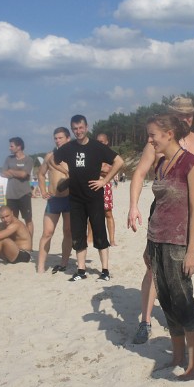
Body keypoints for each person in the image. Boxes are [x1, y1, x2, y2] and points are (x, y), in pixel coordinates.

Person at [127, 96, 194, 345]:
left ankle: (180, 318)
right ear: (171, 115)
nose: (187, 119)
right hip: (163, 211)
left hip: (187, 215)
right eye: (181, 114)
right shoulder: (158, 141)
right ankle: (145, 321)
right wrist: (133, 206)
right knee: (153, 268)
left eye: (190, 114)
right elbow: (139, 173)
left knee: (182, 269)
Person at [144, 114, 194, 379]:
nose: (150, 140)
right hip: (156, 240)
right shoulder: (160, 164)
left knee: (184, 303)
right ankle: (178, 358)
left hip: (178, 243)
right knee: (167, 302)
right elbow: (157, 206)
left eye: (152, 135)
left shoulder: (191, 164)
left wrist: (192, 251)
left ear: (169, 134)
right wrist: (148, 245)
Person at [53, 115, 123, 282]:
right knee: (78, 234)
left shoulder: (97, 147)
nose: (78, 131)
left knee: (99, 233)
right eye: (75, 129)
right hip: (75, 198)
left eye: (81, 128)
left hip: (94, 197)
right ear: (72, 130)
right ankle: (81, 270)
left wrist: (104, 181)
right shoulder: (68, 148)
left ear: (86, 127)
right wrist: (66, 172)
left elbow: (119, 161)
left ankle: (105, 270)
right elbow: (53, 159)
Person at [37, 127, 72, 274]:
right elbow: (40, 174)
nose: (57, 140)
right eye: (55, 138)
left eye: (60, 138)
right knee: (47, 233)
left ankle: (64, 262)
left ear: (68, 138)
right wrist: (43, 191)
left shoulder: (74, 156)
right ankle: (40, 266)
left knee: (68, 232)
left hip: (70, 199)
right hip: (54, 199)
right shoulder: (49, 156)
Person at [87, 133, 117, 247]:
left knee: (108, 213)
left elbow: (111, 170)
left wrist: (101, 170)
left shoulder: (111, 156)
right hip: (93, 185)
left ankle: (112, 240)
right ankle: (89, 238)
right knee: (91, 213)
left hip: (105, 187)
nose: (99, 144)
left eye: (102, 142)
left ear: (107, 142)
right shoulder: (92, 155)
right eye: (98, 141)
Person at [2, 137, 35, 237]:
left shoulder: (28, 159)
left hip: (24, 194)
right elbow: (3, 173)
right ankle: (15, 241)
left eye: (11, 146)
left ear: (19, 147)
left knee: (28, 219)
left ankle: (29, 241)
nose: (9, 148)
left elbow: (24, 174)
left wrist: (11, 171)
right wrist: (18, 173)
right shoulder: (8, 159)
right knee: (11, 220)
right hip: (11, 195)